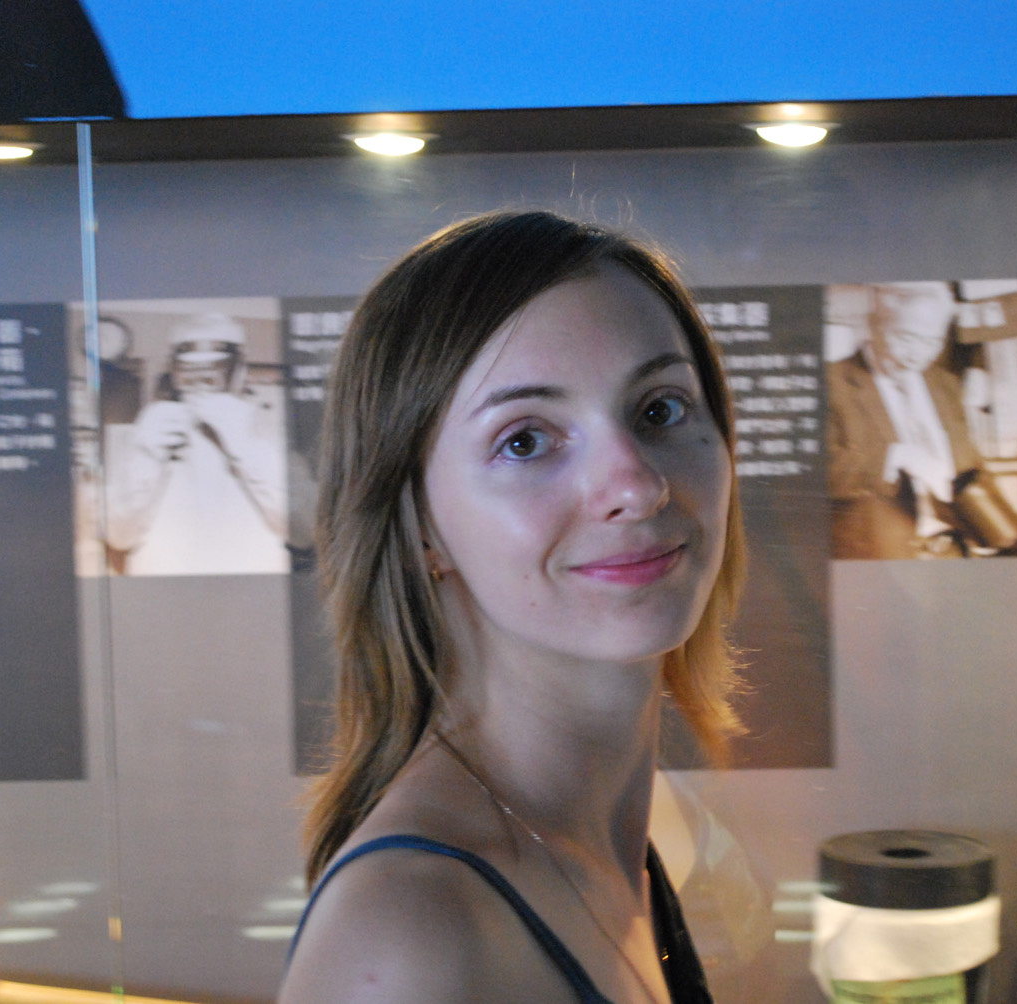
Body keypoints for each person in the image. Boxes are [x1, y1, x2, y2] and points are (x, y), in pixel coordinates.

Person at [279, 211, 745, 1004]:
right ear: (418, 523)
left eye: (660, 409)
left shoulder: (626, 832)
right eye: (525, 440)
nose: (637, 485)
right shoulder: (407, 937)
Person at [103, 312, 312, 575]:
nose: (201, 384)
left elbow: (305, 533)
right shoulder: (150, 430)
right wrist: (145, 457)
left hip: (251, 590)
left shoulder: (272, 434)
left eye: (214, 370)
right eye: (189, 371)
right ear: (175, 372)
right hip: (163, 590)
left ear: (238, 372)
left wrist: (249, 450)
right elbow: (118, 536)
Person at [826, 282, 984, 560]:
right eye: (906, 339)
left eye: (932, 342)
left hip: (954, 548)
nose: (918, 356)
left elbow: (968, 463)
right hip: (878, 554)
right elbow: (812, 477)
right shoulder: (831, 382)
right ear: (874, 325)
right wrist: (895, 457)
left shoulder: (946, 384)